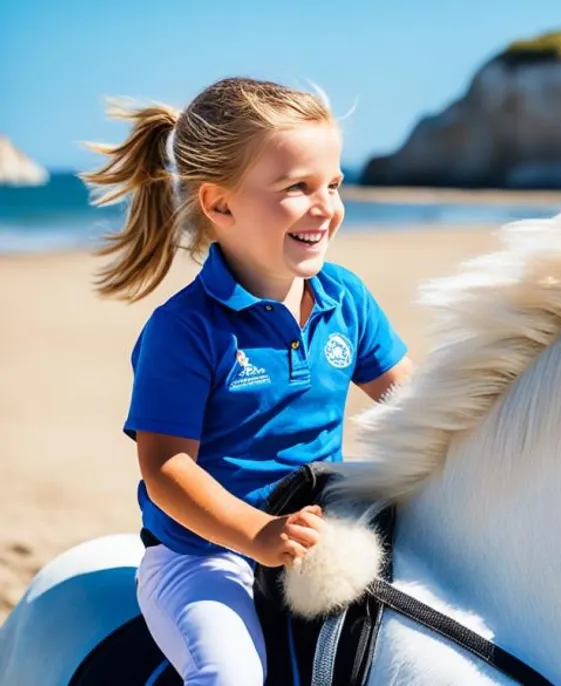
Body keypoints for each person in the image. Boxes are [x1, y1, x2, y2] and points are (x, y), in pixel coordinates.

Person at [81, 76, 413, 685]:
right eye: (297, 188)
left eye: (333, 185)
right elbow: (166, 472)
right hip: (203, 558)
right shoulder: (184, 330)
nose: (326, 207)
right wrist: (258, 534)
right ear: (219, 204)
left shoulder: (346, 299)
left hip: (316, 542)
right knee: (230, 676)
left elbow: (413, 405)